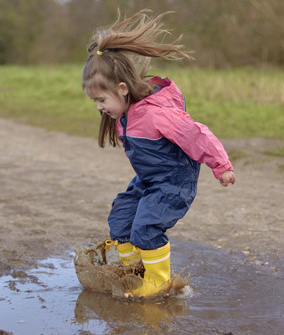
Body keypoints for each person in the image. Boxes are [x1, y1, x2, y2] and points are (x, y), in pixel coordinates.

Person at [82, 10, 235, 298]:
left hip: (173, 183)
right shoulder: (125, 114)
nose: (99, 107)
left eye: (101, 100)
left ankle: (158, 281)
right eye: (94, 101)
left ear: (123, 88)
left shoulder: (156, 115)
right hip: (150, 180)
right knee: (121, 217)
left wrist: (221, 166)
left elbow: (196, 133)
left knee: (146, 226)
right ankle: (134, 270)